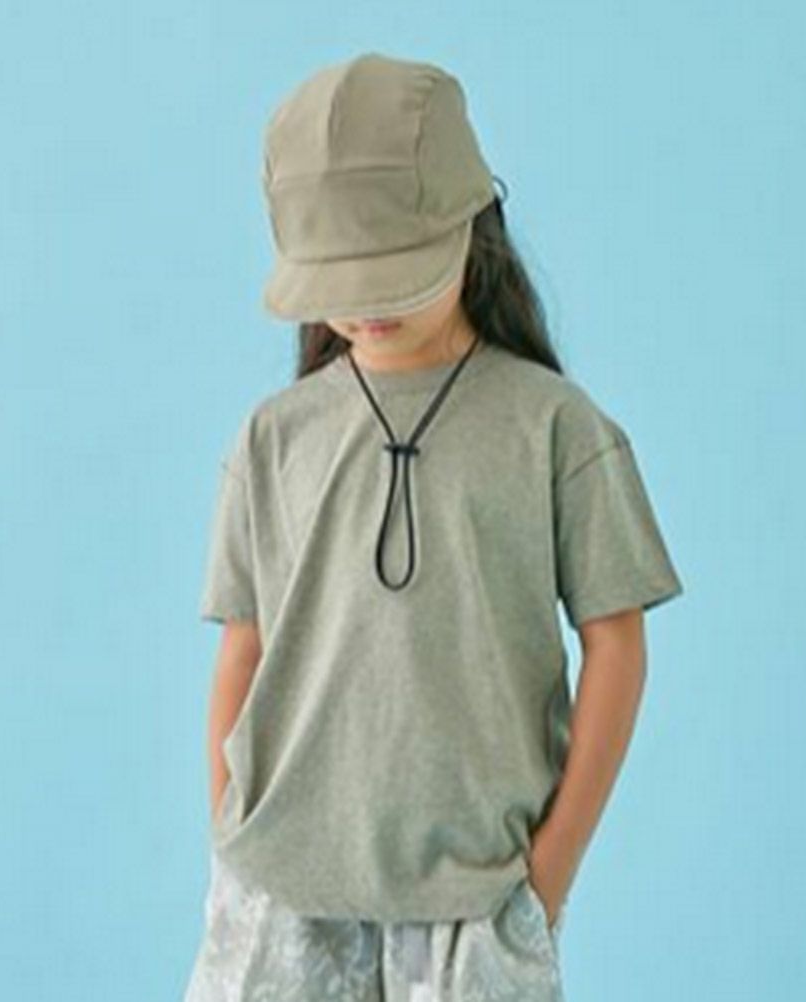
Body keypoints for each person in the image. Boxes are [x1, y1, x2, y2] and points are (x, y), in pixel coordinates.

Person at [183, 51, 684, 1002]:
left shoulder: (555, 429)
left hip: (478, 902)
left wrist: (548, 875)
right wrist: (229, 840)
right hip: (276, 893)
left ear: (471, 226)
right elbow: (242, 648)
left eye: (392, 272)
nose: (366, 305)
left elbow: (617, 642)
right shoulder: (272, 439)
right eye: (342, 277)